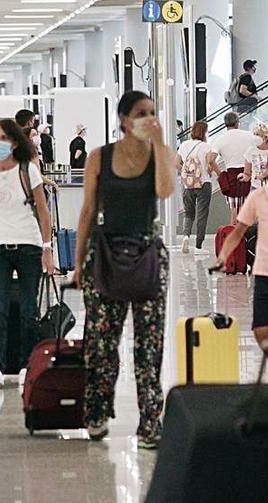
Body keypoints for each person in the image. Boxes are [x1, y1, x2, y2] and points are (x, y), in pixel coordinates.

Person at [72, 90, 175, 450]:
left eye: (152, 112)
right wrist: (77, 262)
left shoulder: (160, 155)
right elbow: (86, 209)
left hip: (147, 254)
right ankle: (97, 413)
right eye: (140, 113)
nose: (148, 118)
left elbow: (164, 192)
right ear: (123, 119)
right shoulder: (100, 157)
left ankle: (151, 422)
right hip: (104, 253)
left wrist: (160, 144)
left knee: (149, 345)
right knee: (101, 342)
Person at [0, 119, 57, 388]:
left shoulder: (27, 170)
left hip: (29, 246)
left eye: (2, 137)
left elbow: (43, 212)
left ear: (14, 142)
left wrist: (47, 249)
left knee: (28, 309)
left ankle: (26, 364)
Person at [214, 145, 268, 382]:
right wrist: (223, 256)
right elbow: (238, 231)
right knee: (261, 330)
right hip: (263, 273)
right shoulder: (257, 198)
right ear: (266, 171)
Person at [175, 120, 217, 253]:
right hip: (204, 183)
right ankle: (199, 246)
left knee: (189, 213)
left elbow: (176, 163)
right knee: (202, 215)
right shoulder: (206, 146)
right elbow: (210, 164)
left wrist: (186, 172)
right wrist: (208, 171)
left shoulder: (184, 145)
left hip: (188, 185)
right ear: (204, 132)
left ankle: (186, 236)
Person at [211, 111, 258, 215]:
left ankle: (233, 229)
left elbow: (210, 160)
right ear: (237, 122)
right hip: (249, 173)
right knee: (249, 209)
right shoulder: (249, 136)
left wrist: (220, 174)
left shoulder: (219, 140)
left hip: (231, 175)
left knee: (234, 209)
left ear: (225, 124)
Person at [242, 123, 268, 190]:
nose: (255, 137)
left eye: (257, 134)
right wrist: (243, 176)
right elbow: (247, 173)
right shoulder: (250, 151)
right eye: (254, 134)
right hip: (256, 187)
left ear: (265, 137)